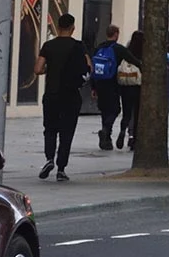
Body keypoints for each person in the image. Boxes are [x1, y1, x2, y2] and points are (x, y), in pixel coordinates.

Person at [33, 13, 91, 182]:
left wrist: (48, 70)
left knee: (50, 129)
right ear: (73, 28)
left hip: (51, 94)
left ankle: (49, 158)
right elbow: (89, 67)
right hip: (71, 95)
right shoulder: (79, 46)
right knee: (67, 132)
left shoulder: (48, 46)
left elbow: (37, 69)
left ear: (58, 27)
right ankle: (61, 169)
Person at [90, 24, 143, 150]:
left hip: (99, 83)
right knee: (115, 110)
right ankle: (105, 129)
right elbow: (134, 60)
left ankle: (106, 140)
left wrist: (93, 87)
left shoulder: (99, 47)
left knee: (104, 110)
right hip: (113, 84)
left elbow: (93, 67)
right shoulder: (118, 49)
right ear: (116, 34)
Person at [116, 30, 145, 151]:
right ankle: (134, 138)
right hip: (138, 86)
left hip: (126, 86)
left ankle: (123, 129)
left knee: (127, 112)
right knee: (137, 113)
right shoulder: (144, 52)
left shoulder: (127, 51)